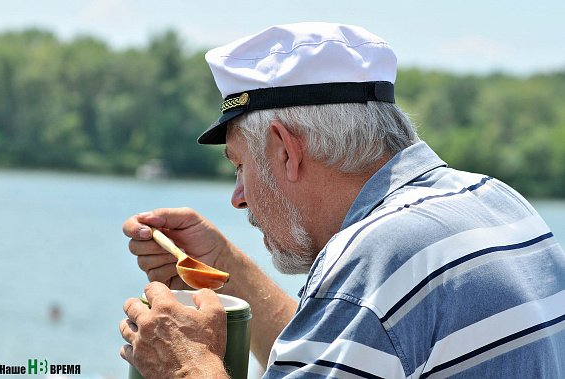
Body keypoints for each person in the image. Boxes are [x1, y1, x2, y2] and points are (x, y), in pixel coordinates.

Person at [120, 22, 565, 378]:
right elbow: (358, 350)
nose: (238, 198)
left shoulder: (379, 253)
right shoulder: (496, 200)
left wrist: (185, 366)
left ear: (285, 151)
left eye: (239, 166)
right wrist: (224, 264)